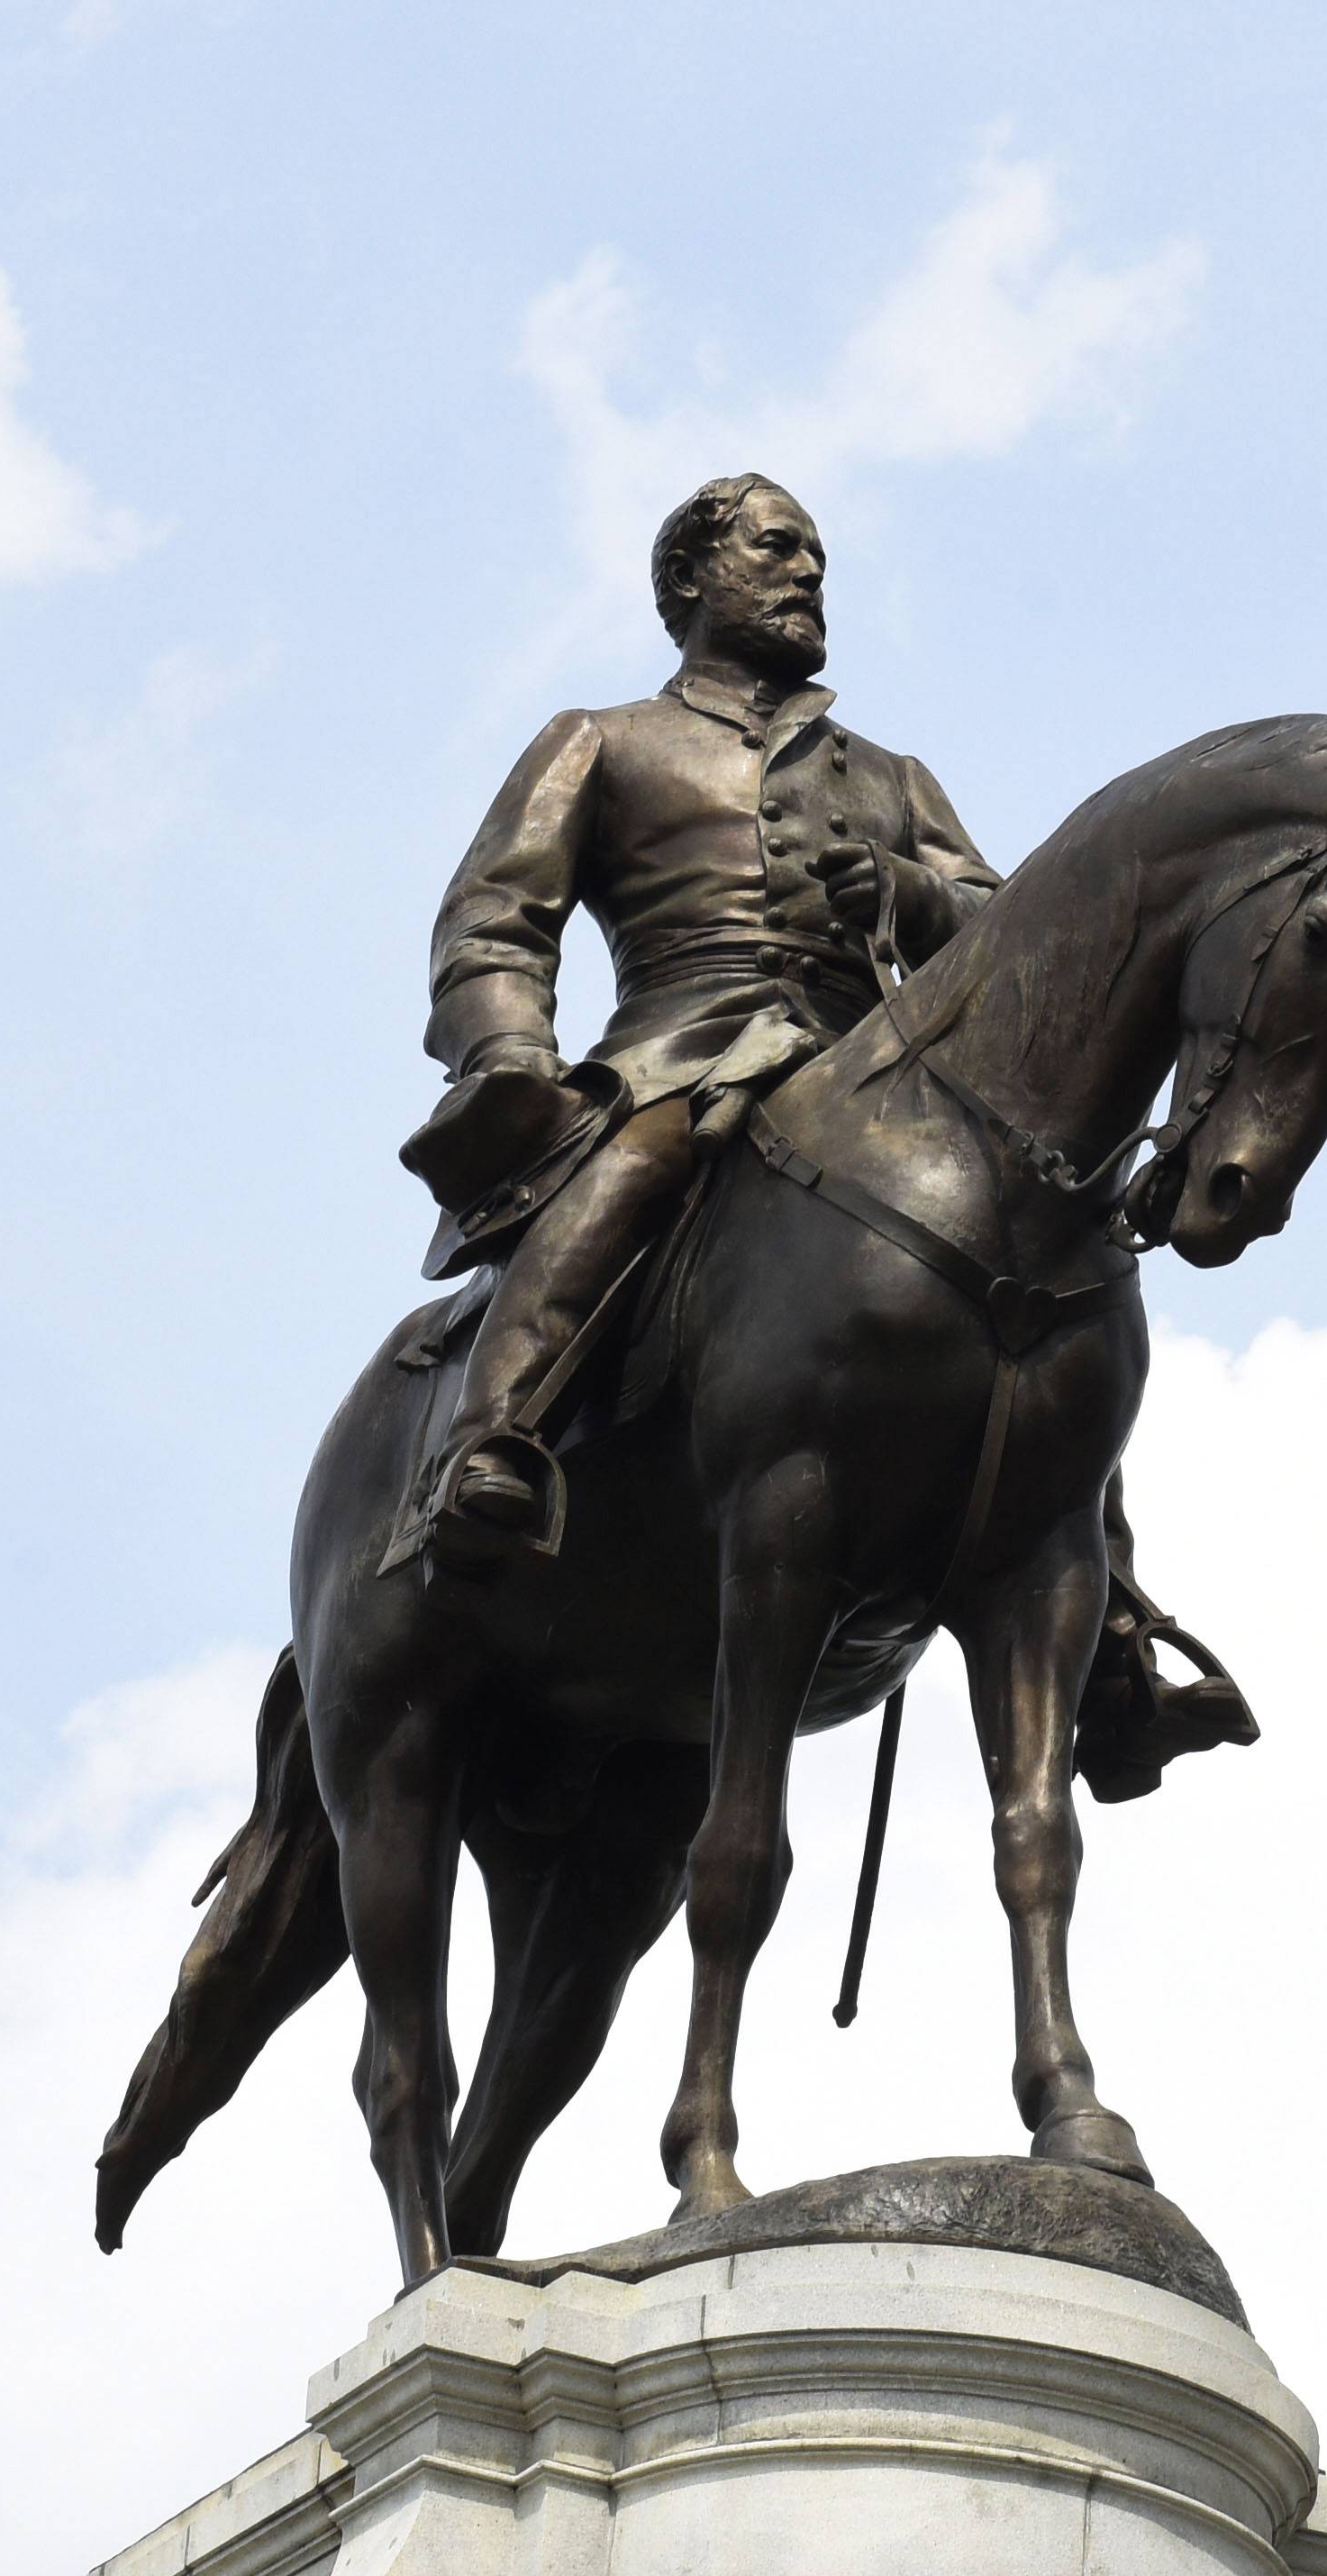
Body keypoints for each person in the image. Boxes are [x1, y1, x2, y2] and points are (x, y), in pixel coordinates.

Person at [398, 475, 1255, 1796]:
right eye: (775, 550)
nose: (805, 577)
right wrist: (511, 1051)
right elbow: (495, 919)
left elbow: (1016, 929)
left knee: (1048, 1287)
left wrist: (906, 888)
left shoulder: (890, 777)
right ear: (690, 583)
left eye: (816, 559)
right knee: (641, 1160)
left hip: (880, 1077)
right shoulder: (607, 740)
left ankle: (1117, 1646)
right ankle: (492, 1442)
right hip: (686, 1046)